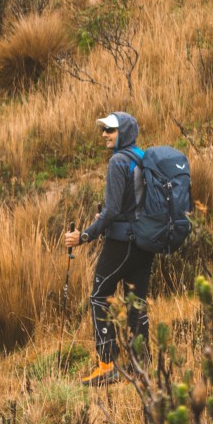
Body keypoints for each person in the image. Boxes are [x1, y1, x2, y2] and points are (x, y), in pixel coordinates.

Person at [64, 112, 154, 386]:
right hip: (145, 241)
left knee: (99, 297)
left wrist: (85, 235)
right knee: (135, 301)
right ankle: (141, 365)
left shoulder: (118, 162)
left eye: (111, 130)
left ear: (123, 132)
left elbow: (113, 210)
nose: (104, 134)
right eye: (104, 130)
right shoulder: (141, 156)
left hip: (122, 242)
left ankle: (107, 364)